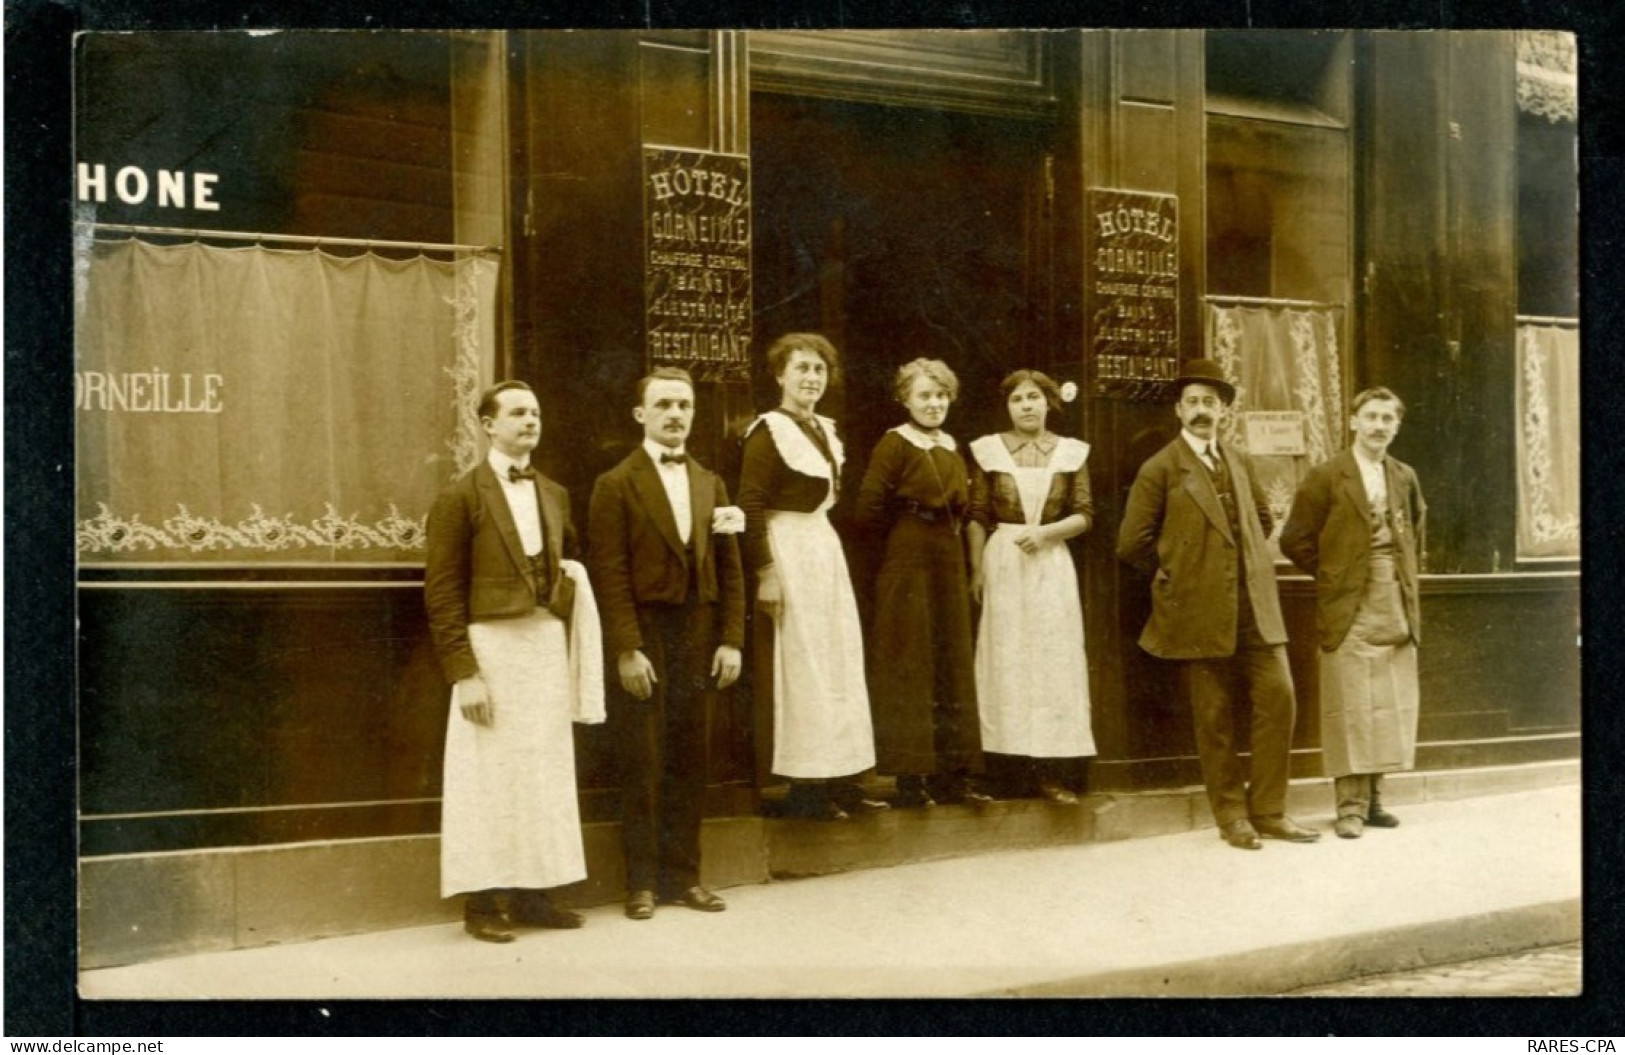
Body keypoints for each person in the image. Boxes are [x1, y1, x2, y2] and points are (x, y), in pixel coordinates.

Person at [424, 380, 604, 943]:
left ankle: (534, 893)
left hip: (542, 647)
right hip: (492, 652)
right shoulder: (460, 496)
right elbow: (443, 593)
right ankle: (483, 903)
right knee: (487, 777)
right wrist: (464, 674)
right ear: (487, 424)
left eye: (536, 412)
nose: (531, 422)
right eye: (518, 413)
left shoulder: (553, 492)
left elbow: (566, 563)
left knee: (542, 771)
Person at [1115, 359, 1319, 850]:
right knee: (1215, 718)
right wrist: (1179, 576)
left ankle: (1269, 810)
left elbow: (1264, 519)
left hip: (1255, 607)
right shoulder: (1161, 468)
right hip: (1197, 611)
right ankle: (1232, 817)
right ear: (1178, 410)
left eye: (1211, 402)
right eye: (1193, 403)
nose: (1202, 411)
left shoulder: (1239, 460)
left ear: (1224, 410)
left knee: (1279, 699)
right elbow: (1131, 544)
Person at [588, 366, 745, 919]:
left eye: (684, 405)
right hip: (647, 634)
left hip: (698, 634)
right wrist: (627, 649)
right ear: (641, 415)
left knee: (689, 756)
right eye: (664, 405)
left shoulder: (711, 482)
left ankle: (686, 878)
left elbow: (730, 568)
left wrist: (731, 639)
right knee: (643, 758)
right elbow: (607, 574)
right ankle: (642, 884)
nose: (675, 414)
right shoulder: (614, 484)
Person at [737, 334, 885, 821]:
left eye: (818, 370)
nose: (810, 378)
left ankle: (842, 775)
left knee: (836, 660)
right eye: (801, 368)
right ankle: (805, 785)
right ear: (780, 375)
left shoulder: (823, 429)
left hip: (821, 549)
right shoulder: (768, 431)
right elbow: (751, 503)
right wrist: (766, 571)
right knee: (804, 667)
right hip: (788, 549)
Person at [1280, 387, 1426, 839]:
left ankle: (1376, 800)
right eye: (1371, 417)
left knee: (1388, 703)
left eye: (1388, 418)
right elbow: (1294, 539)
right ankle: (1349, 807)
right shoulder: (1327, 476)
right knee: (1351, 705)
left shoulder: (1404, 476)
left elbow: (1416, 529)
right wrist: (1334, 575)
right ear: (1353, 422)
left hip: (1394, 603)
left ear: (1396, 426)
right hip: (1347, 605)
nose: (1379, 426)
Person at [856, 357, 990, 808]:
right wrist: (897, 547)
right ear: (905, 399)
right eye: (924, 396)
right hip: (908, 553)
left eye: (940, 396)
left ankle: (954, 776)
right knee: (910, 659)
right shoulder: (894, 444)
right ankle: (911, 778)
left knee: (950, 655)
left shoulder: (952, 445)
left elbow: (968, 506)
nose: (933, 404)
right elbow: (868, 508)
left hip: (946, 556)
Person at [966, 369, 1097, 804]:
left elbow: (1085, 513)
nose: (1026, 406)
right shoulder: (988, 451)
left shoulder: (1071, 453)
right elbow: (978, 514)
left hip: (1050, 564)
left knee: (1050, 662)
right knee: (1005, 659)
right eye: (1018, 399)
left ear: (1048, 404)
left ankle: (1051, 771)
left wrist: (1046, 534)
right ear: (1007, 406)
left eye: (1034, 398)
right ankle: (1006, 771)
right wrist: (977, 570)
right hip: (1003, 560)